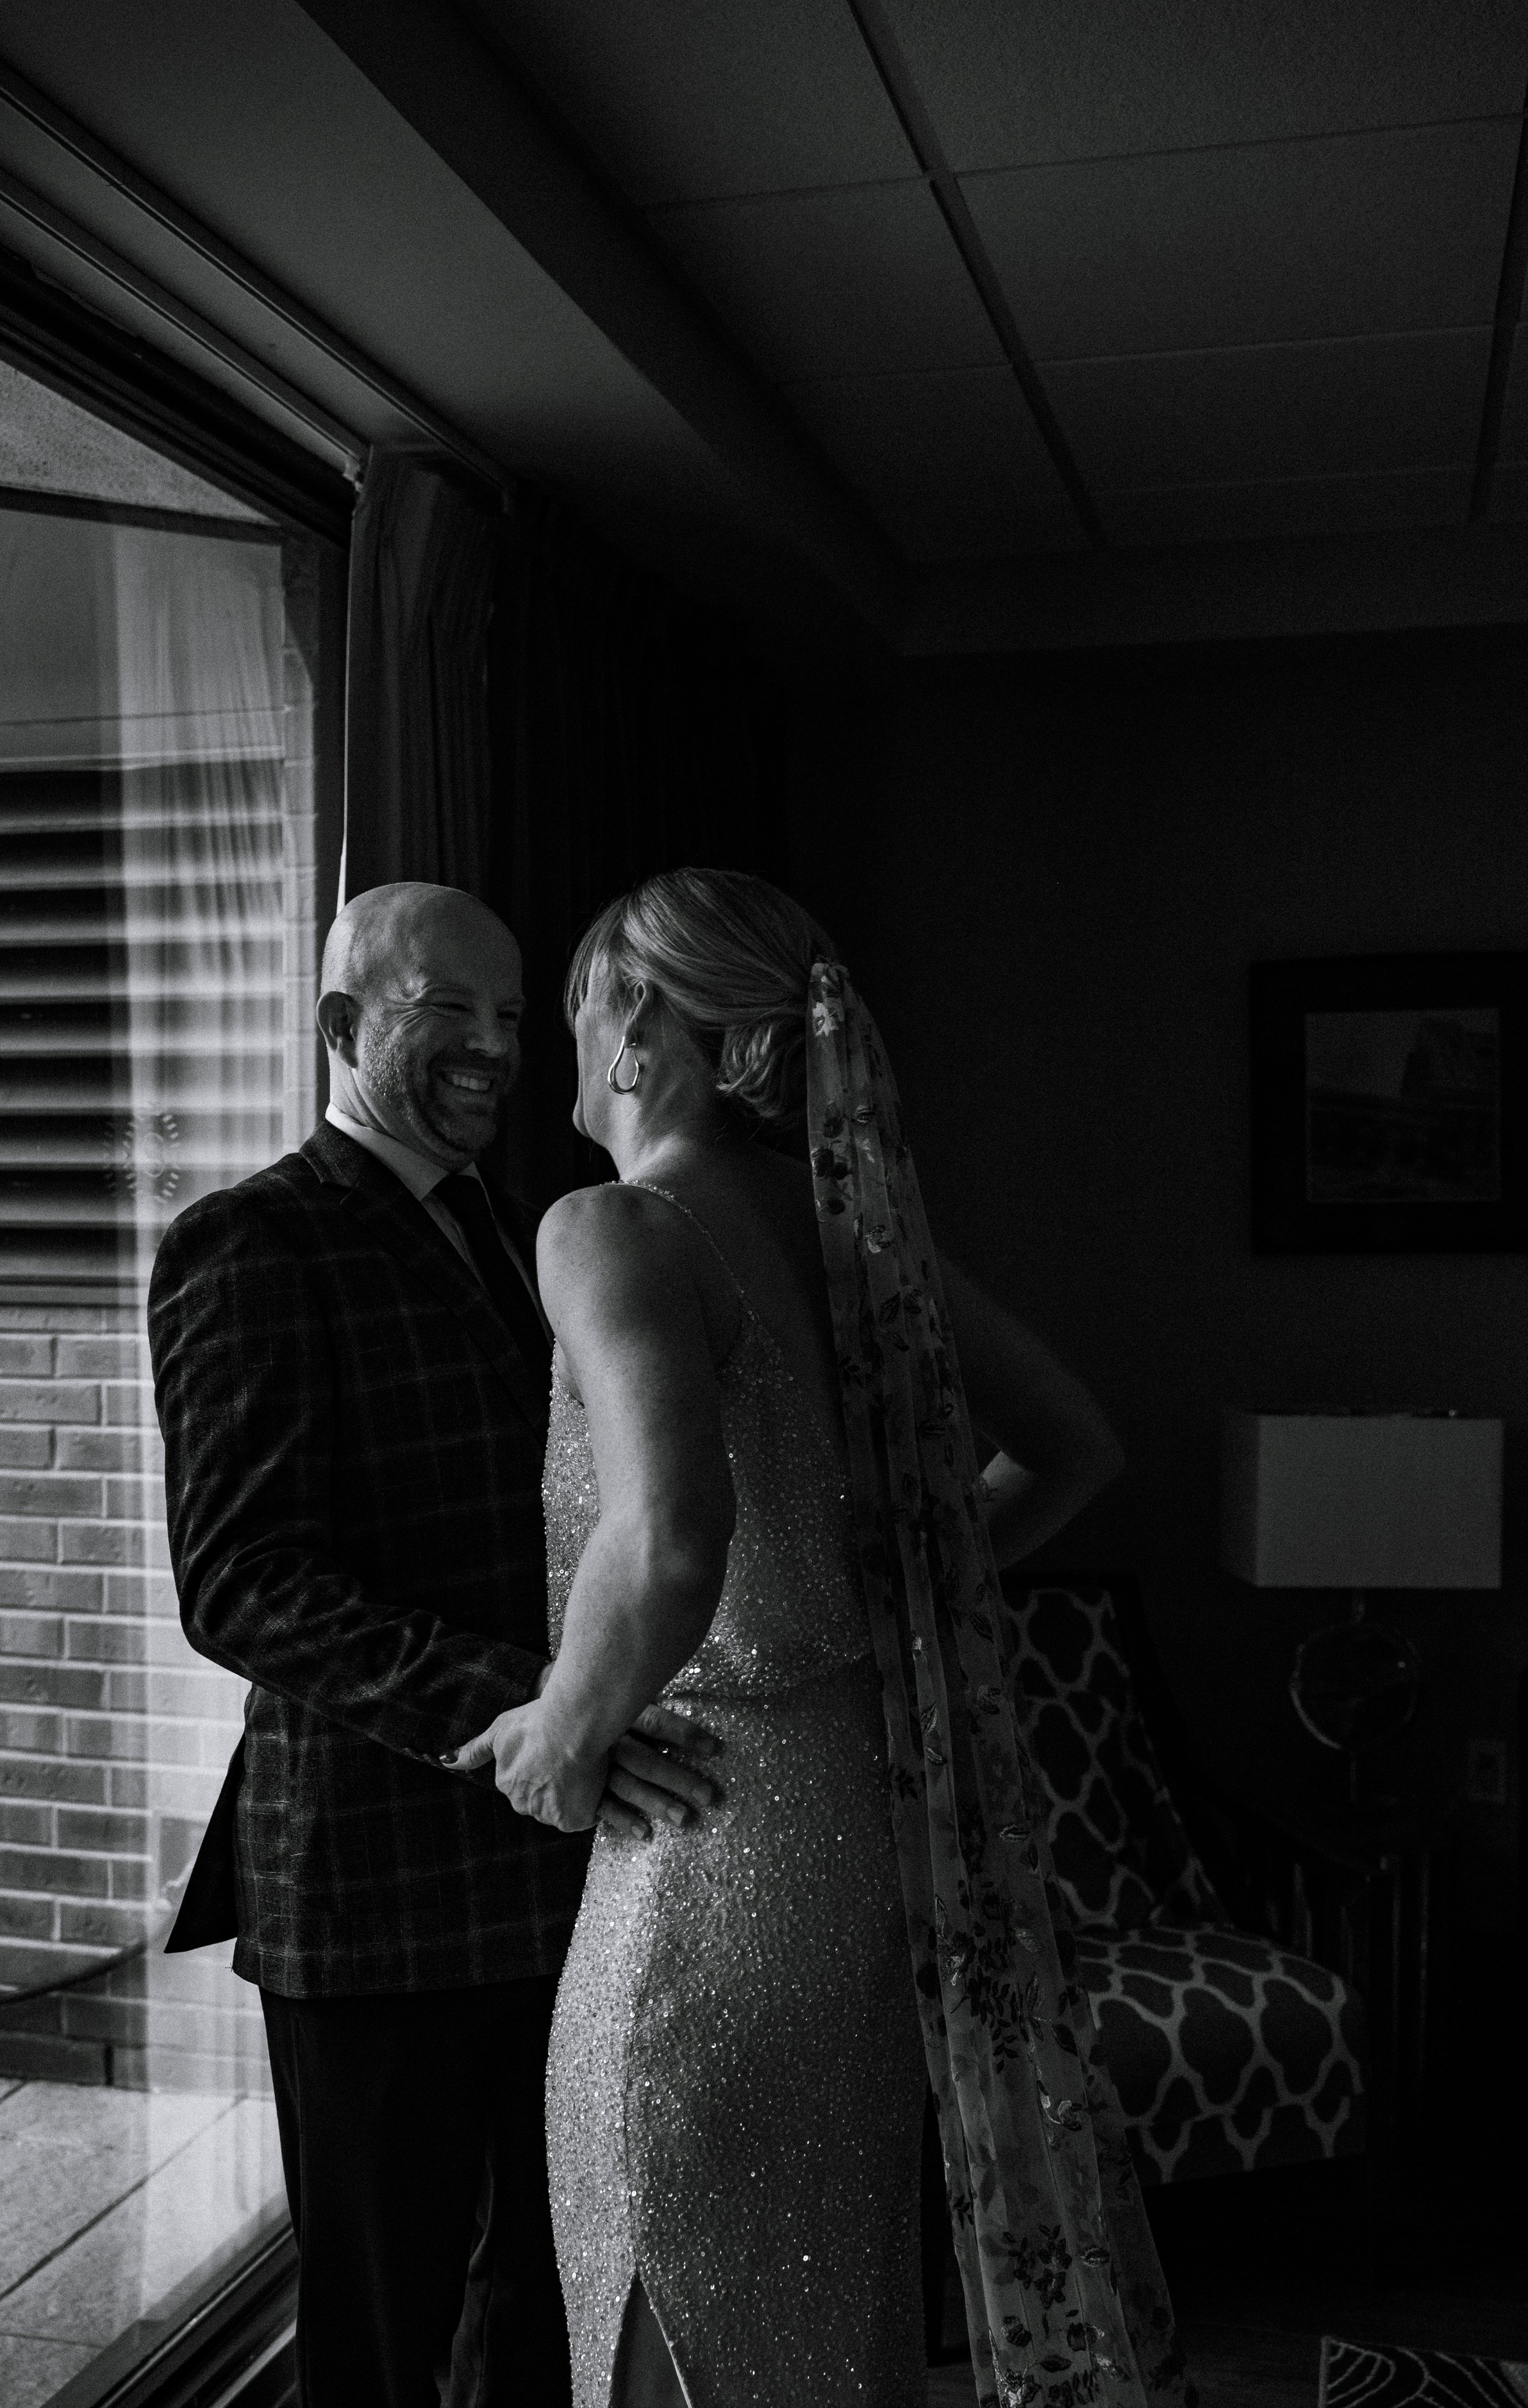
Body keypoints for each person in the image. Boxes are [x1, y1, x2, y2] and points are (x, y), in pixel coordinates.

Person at [458, 868, 1193, 2408]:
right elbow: (1068, 1443)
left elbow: (668, 1535)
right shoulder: (843, 1224)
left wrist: (562, 1730)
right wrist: (893, 1597)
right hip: (858, 1835)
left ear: (644, 1023)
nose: (565, 1046)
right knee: (825, 2307)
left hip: (707, 1857)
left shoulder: (610, 1226)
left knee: (677, 2298)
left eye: (582, 1006)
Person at [148, 881, 718, 2408]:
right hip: (373, 1883)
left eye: (511, 1013)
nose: (490, 1045)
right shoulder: (247, 1241)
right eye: (442, 1008)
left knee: (547, 2294)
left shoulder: (520, 1220)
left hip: (554, 1860)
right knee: (382, 2333)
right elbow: (243, 1582)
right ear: (341, 1026)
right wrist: (541, 1707)